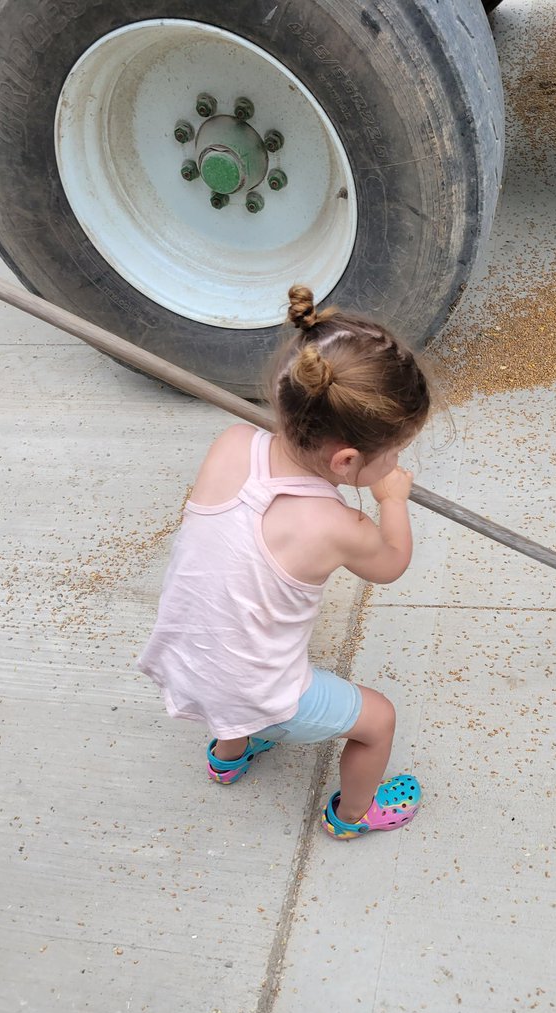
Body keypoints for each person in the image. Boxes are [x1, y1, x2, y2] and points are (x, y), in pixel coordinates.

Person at [138, 285, 431, 841]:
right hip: (257, 689)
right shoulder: (335, 525)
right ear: (346, 461)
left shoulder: (231, 442)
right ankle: (352, 815)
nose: (396, 464)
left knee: (237, 672)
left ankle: (227, 758)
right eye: (392, 453)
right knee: (378, 721)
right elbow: (392, 563)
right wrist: (391, 501)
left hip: (189, 656)